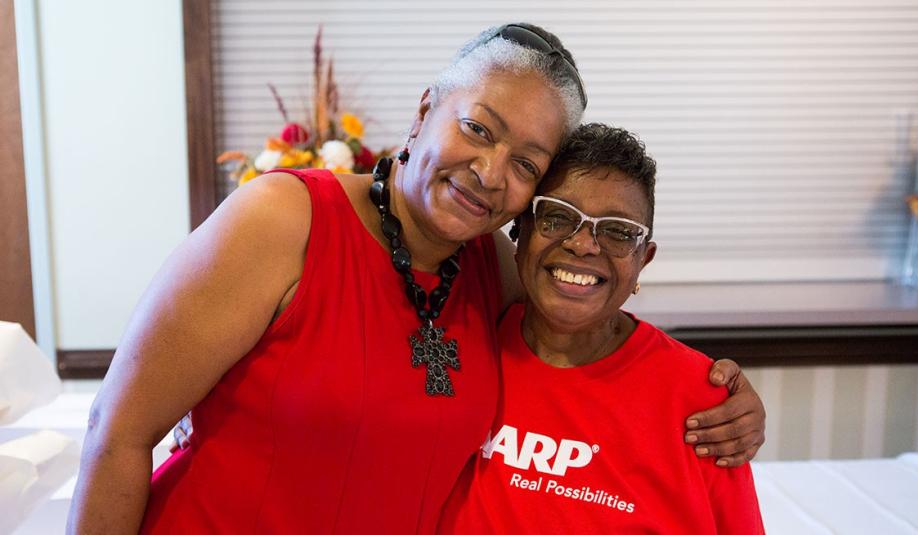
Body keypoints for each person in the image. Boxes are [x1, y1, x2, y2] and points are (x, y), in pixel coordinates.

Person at [68, 24, 764, 534]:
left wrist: (720, 391)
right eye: (478, 128)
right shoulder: (284, 219)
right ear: (425, 109)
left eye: (527, 163)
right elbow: (116, 433)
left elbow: (587, 299)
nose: (491, 172)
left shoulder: (490, 268)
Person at [439, 123, 764, 533]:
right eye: (558, 218)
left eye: (617, 231)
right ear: (519, 233)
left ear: (643, 261)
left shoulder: (702, 404)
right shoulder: (461, 349)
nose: (583, 244)